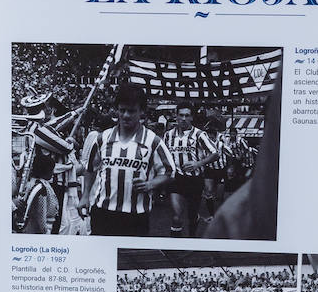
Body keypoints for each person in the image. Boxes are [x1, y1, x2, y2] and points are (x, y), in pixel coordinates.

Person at [79, 82, 176, 237]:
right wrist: (85, 197)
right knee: (101, 258)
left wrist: (150, 184)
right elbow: (90, 169)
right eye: (122, 110)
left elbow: (169, 172)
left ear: (141, 112)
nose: (125, 115)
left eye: (131, 111)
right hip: (103, 212)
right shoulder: (102, 138)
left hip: (136, 215)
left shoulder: (153, 141)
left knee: (131, 259)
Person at [165, 103, 217, 236]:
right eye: (180, 115)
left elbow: (215, 153)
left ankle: (192, 238)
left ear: (192, 117)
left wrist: (198, 163)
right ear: (176, 116)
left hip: (194, 180)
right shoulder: (168, 135)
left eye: (187, 115)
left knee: (192, 215)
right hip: (176, 179)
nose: (183, 118)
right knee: (176, 216)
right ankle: (175, 248)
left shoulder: (199, 134)